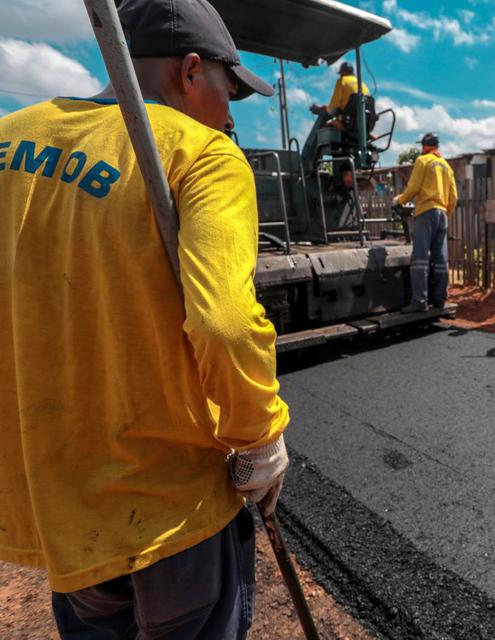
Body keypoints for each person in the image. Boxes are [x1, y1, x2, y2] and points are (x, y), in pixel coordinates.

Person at [0, 0, 290, 637]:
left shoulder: (10, 139)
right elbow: (225, 324)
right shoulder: (201, 153)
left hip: (60, 511)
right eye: (228, 88)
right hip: (171, 513)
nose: (230, 111)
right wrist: (259, 437)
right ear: (191, 72)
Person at [393, 132, 458, 312]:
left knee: (420, 258)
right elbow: (454, 196)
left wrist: (399, 200)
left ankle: (419, 301)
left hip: (426, 212)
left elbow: (413, 188)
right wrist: (445, 212)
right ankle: (439, 300)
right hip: (442, 213)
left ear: (425, 146)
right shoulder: (446, 166)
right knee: (441, 259)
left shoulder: (423, 161)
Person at [302, 61, 371, 169]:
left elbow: (332, 107)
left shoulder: (342, 81)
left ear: (342, 72)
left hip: (349, 124)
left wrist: (321, 109)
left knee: (327, 126)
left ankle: (311, 166)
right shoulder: (362, 84)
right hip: (364, 126)